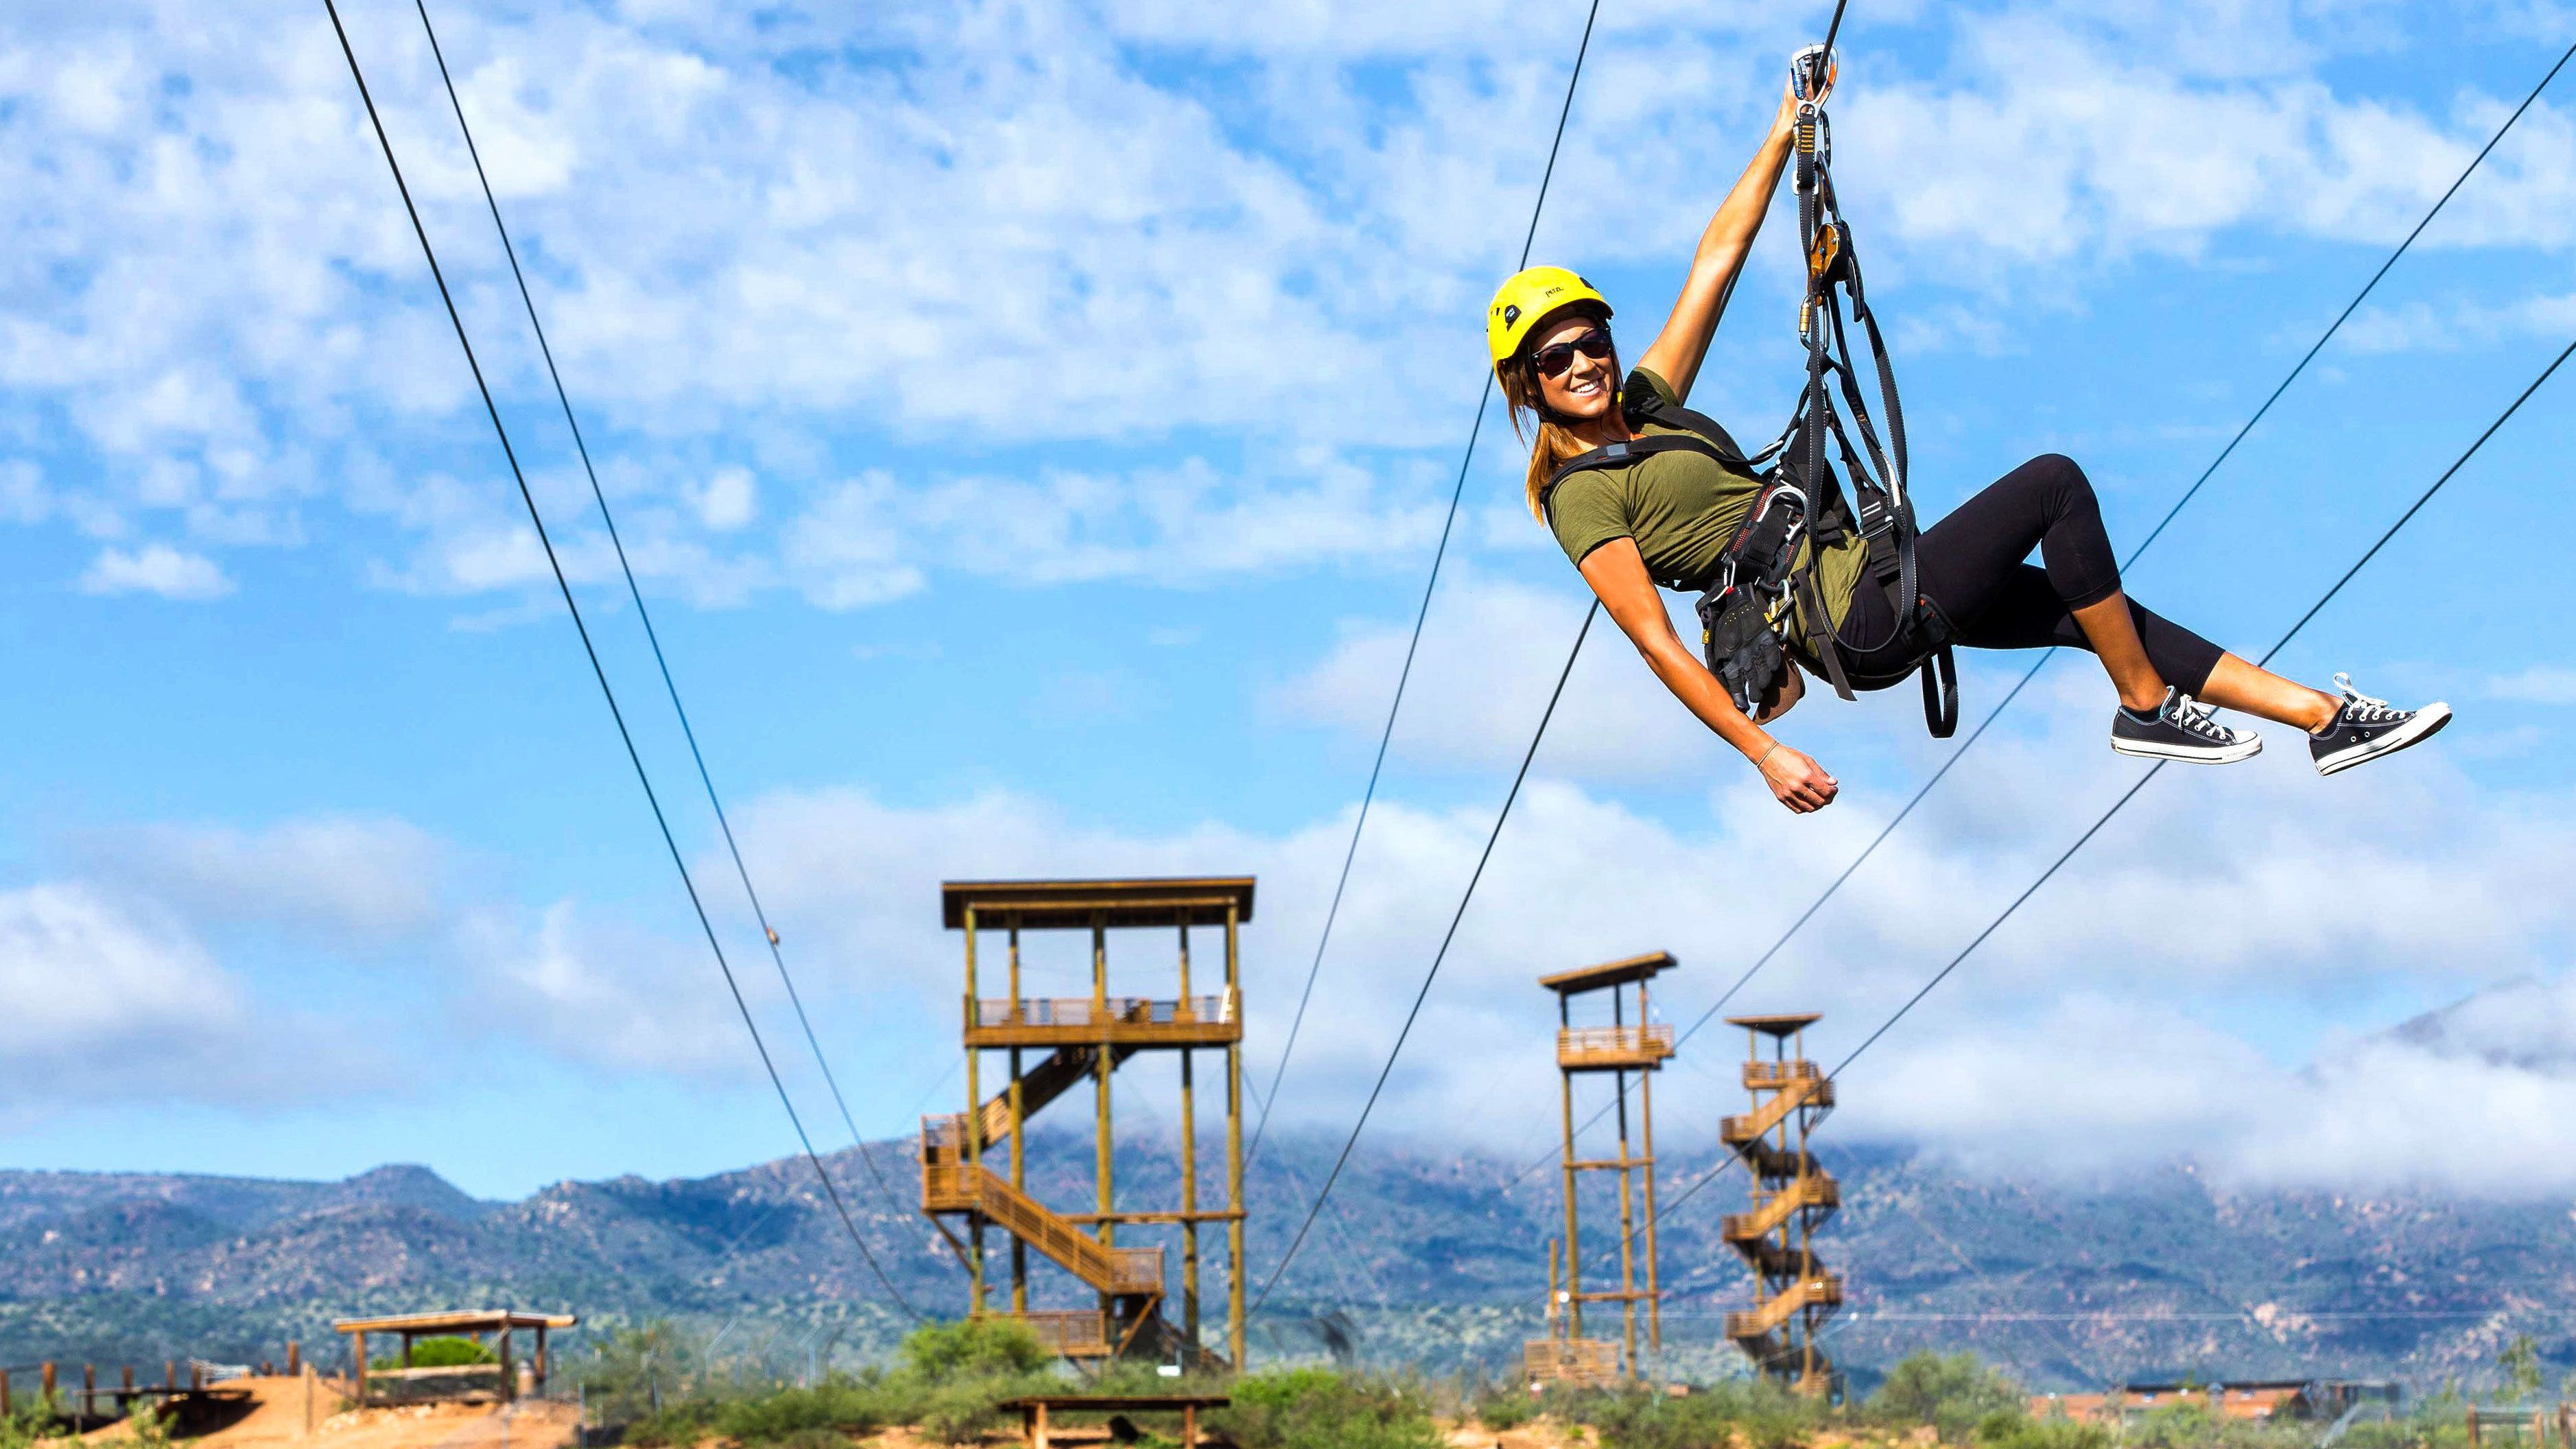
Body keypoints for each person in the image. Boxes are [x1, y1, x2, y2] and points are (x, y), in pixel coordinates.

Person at [1488, 72, 2449, 816]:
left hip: (1876, 575)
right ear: (1528, 387)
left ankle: (2322, 719)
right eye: (1555, 358)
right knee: (2055, 486)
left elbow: (1717, 263)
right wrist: (1764, 753)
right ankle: (2147, 710)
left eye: (1590, 339)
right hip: (1854, 615)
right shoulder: (1581, 496)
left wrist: (1785, 130)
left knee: (2091, 611)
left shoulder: (1656, 406)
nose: (1582, 361)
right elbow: (1656, 646)